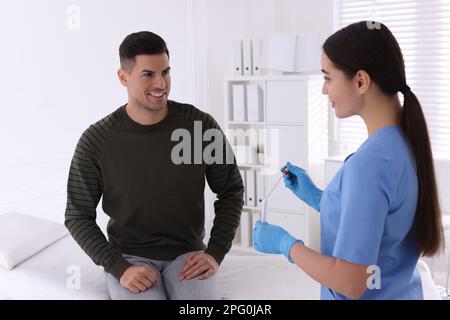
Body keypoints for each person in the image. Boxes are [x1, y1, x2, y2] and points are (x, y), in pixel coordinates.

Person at [253, 21, 444, 300]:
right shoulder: (403, 143)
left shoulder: (370, 164)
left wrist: (286, 244)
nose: (323, 90)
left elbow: (351, 282)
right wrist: (319, 198)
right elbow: (381, 221)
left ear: (360, 81)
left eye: (327, 78)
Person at [64, 31, 244, 300]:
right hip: (130, 259)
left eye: (166, 72)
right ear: (123, 77)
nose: (161, 83)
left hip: (188, 256)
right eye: (148, 74)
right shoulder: (97, 140)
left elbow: (231, 189)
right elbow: (77, 215)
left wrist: (215, 252)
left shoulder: (199, 127)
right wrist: (118, 267)